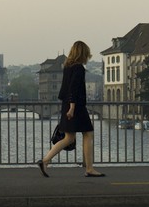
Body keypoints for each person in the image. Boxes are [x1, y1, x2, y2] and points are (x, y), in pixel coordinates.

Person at [38, 40, 104, 177]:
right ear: (83, 53)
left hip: (67, 104)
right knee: (88, 134)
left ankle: (45, 160)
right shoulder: (78, 67)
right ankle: (89, 169)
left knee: (69, 137)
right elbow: (74, 88)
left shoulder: (68, 66)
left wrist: (68, 106)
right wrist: (72, 107)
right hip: (76, 106)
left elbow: (65, 89)